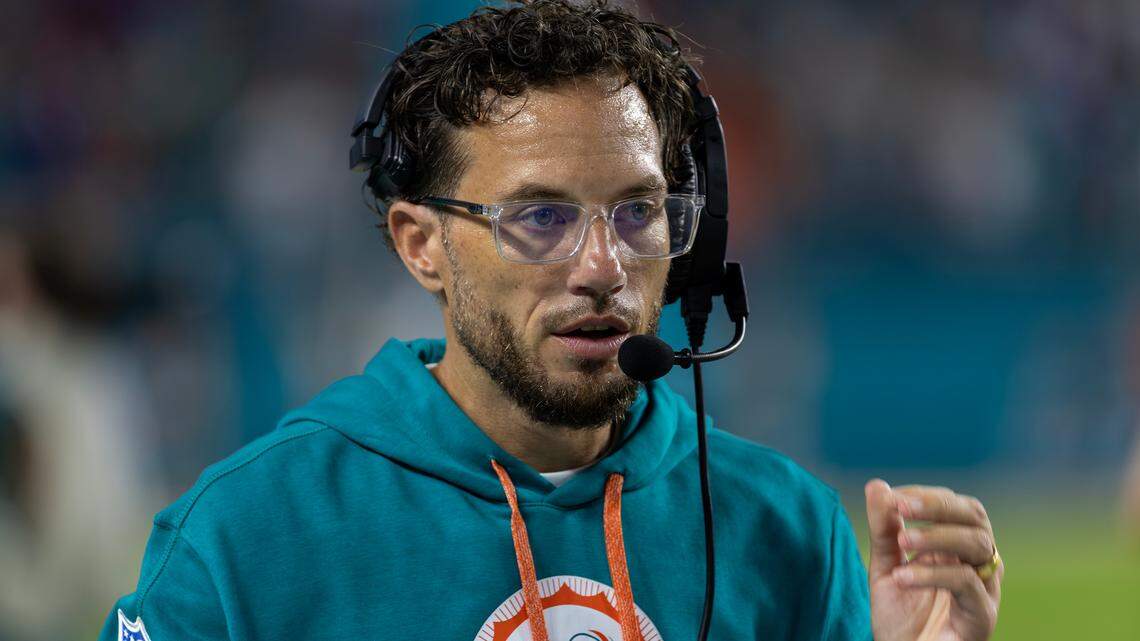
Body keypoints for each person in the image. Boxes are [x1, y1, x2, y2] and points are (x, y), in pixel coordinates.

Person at [101, 2, 1003, 639]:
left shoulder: (788, 533)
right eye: (541, 218)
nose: (604, 266)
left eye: (638, 213)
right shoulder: (245, 537)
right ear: (421, 245)